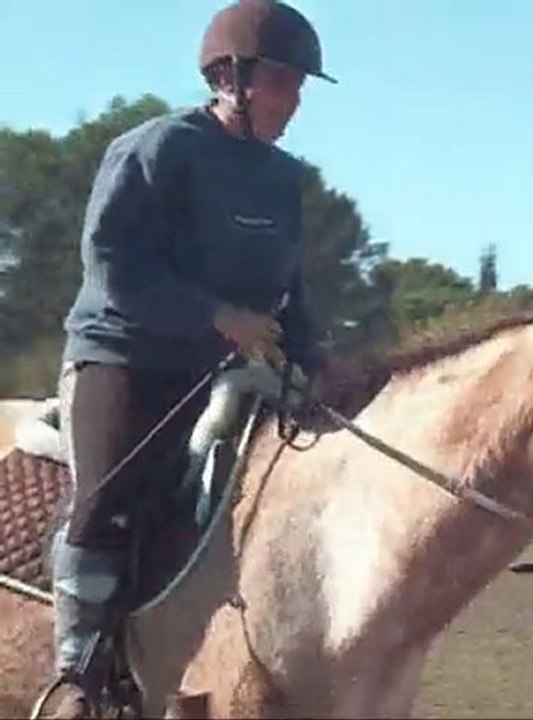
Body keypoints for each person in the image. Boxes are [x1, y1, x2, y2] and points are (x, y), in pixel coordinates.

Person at [46, 1, 334, 714]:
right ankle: (77, 668)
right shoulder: (156, 149)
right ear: (229, 79)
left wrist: (318, 365)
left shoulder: (282, 179)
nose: (295, 99)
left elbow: (290, 291)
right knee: (109, 496)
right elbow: (111, 262)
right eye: (282, 81)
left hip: (229, 370)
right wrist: (214, 316)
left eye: (299, 85)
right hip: (125, 357)